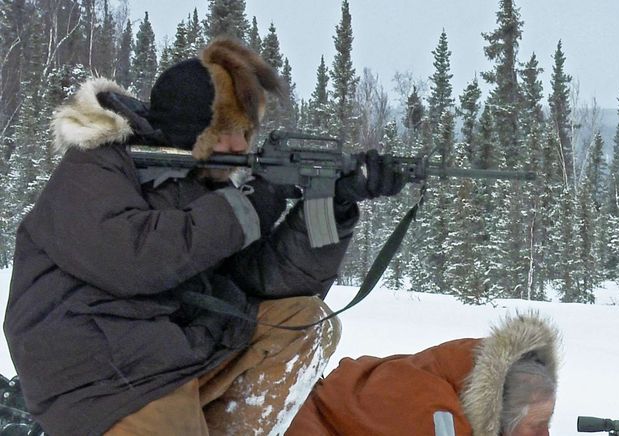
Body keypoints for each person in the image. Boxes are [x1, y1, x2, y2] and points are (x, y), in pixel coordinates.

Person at [3, 37, 406, 435]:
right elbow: (134, 260)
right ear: (190, 126)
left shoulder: (203, 185)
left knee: (303, 320)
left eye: (247, 131)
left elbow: (264, 282)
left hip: (171, 350)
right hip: (98, 370)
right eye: (227, 130)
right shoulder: (98, 164)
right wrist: (252, 204)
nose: (240, 145)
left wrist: (332, 205)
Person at [286, 311, 560, 436]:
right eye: (537, 424)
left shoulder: (459, 381)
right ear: (500, 413)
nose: (545, 434)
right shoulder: (438, 419)